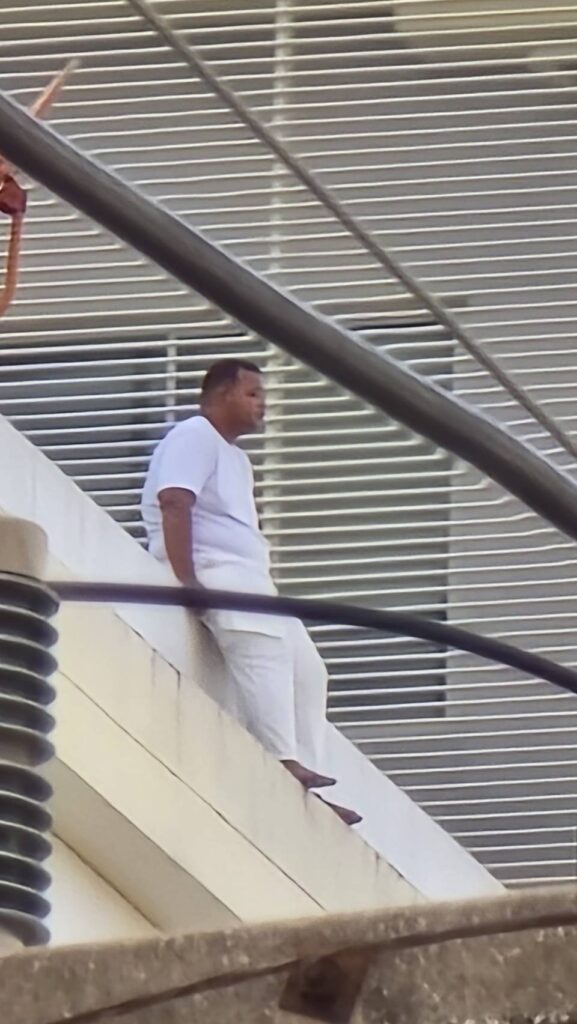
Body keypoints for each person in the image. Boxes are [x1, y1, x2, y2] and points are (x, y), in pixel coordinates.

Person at [141, 358, 361, 826]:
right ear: (223, 394)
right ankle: (282, 761)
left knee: (309, 671)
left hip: (252, 579)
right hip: (216, 571)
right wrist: (187, 581)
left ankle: (311, 780)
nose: (263, 405)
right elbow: (174, 502)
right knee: (263, 648)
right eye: (253, 394)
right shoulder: (194, 435)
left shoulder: (236, 459)